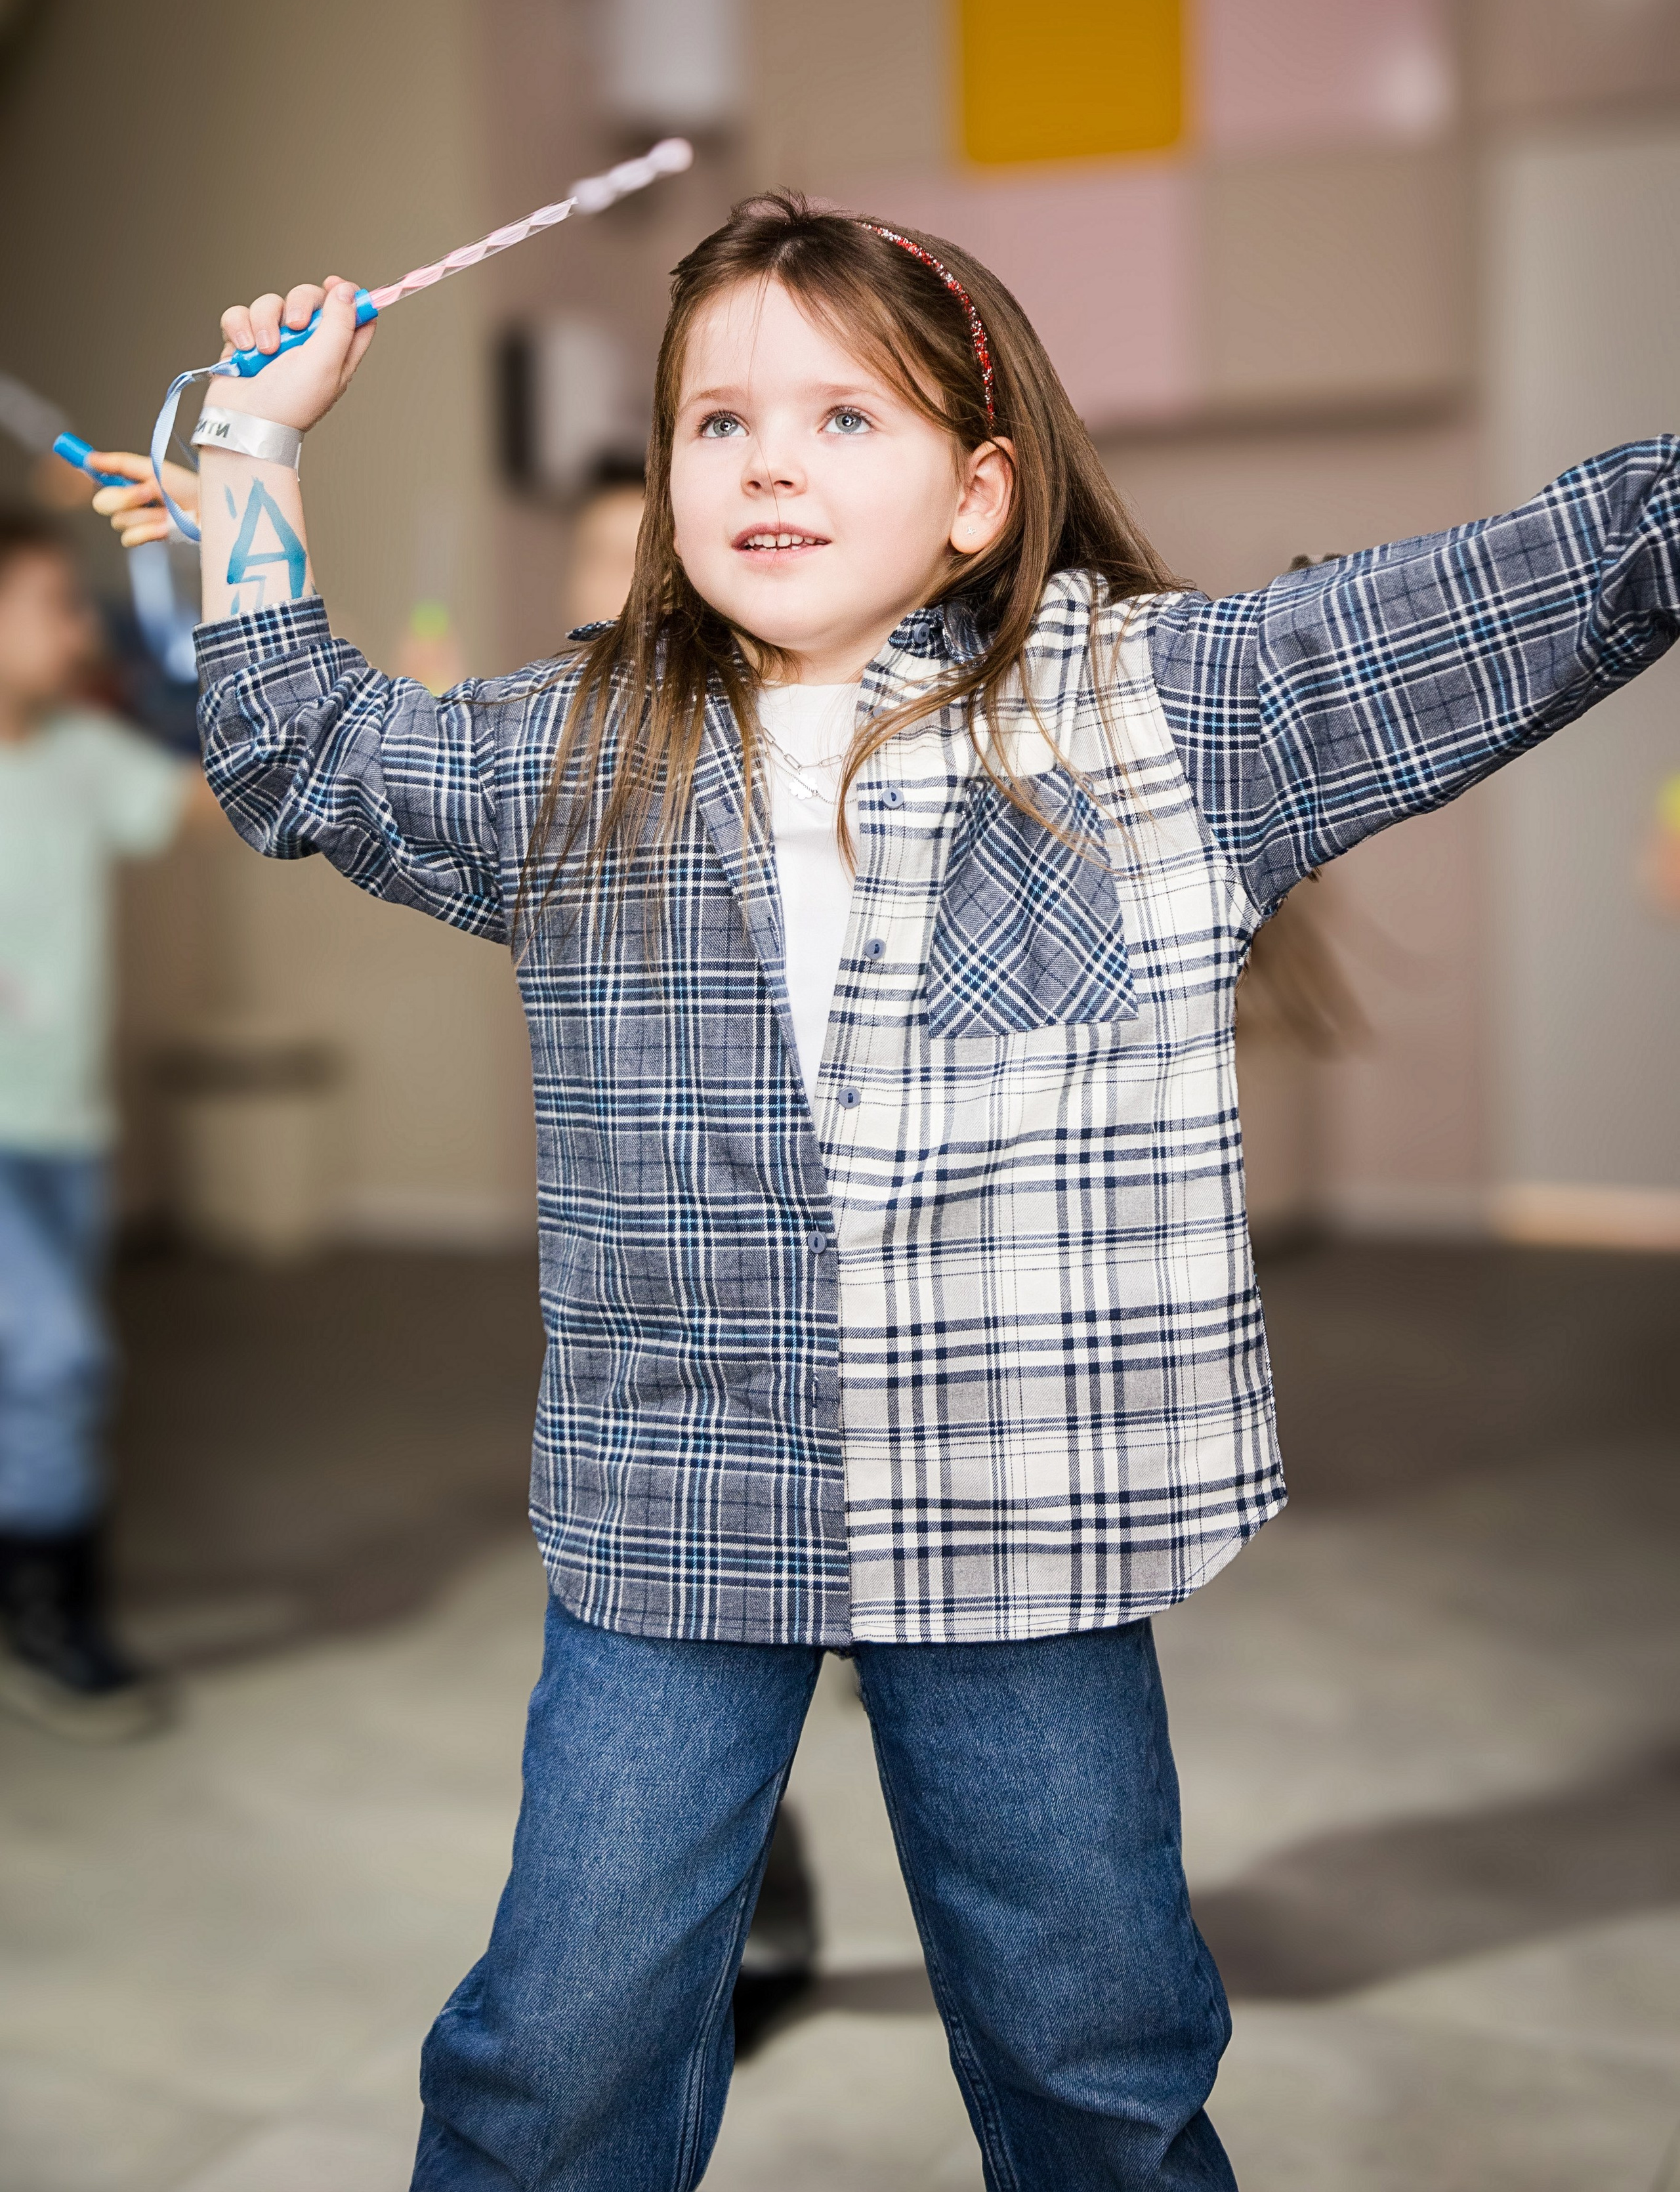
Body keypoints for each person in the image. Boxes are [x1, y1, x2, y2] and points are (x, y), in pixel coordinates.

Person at [114, 194, 1680, 2187]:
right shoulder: (572, 752)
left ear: (977, 492)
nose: (769, 457)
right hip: (680, 1504)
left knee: (1092, 2057)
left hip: (1016, 1518)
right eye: (719, 422)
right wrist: (252, 450)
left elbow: (1598, 554)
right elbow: (293, 748)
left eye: (847, 419)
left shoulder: (1175, 713)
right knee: (553, 2060)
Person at [0, 503, 209, 1740]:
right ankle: (52, 1627)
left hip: (67, 1134)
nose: (79, 626)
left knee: (34, 1386)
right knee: (59, 1357)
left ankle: (37, 1604)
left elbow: (201, 803)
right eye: (49, 605)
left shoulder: (78, 753)